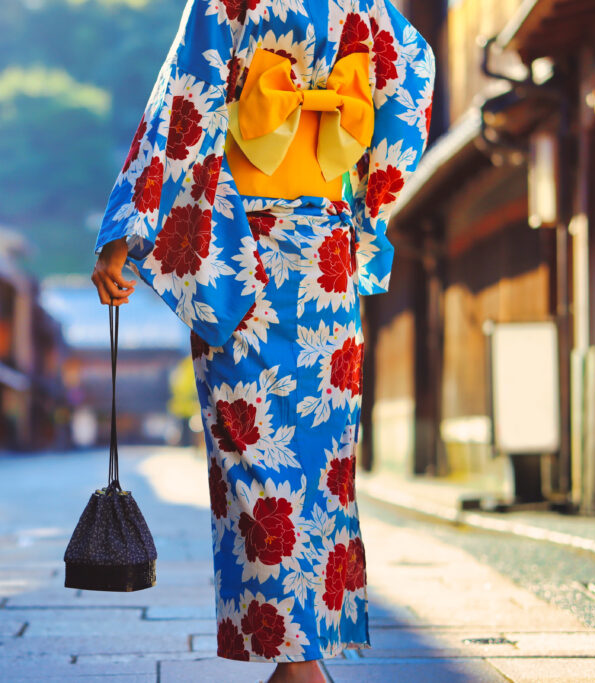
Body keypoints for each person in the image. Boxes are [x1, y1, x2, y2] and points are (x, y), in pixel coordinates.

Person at [92, 0, 435, 680]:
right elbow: (412, 82)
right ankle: (301, 659)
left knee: (253, 461)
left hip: (244, 244)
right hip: (326, 254)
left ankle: (298, 665)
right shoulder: (365, 6)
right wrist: (368, 198)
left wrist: (127, 230)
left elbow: (183, 103)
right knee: (320, 467)